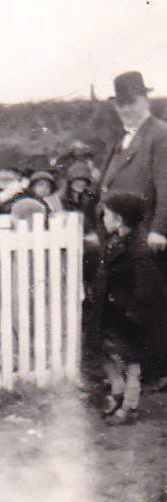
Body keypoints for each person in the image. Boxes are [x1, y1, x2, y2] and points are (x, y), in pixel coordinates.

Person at [90, 192, 167, 425]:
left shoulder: (138, 251)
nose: (103, 219)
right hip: (114, 313)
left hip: (130, 318)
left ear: (119, 220)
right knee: (110, 355)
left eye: (107, 215)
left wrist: (134, 313)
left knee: (132, 364)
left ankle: (129, 407)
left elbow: (147, 288)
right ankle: (118, 393)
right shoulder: (118, 241)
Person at [99, 71, 167, 262]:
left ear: (146, 101)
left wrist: (160, 230)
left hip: (146, 238)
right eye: (121, 104)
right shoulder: (119, 139)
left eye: (132, 102)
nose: (127, 109)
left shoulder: (161, 135)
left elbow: (166, 187)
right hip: (117, 235)